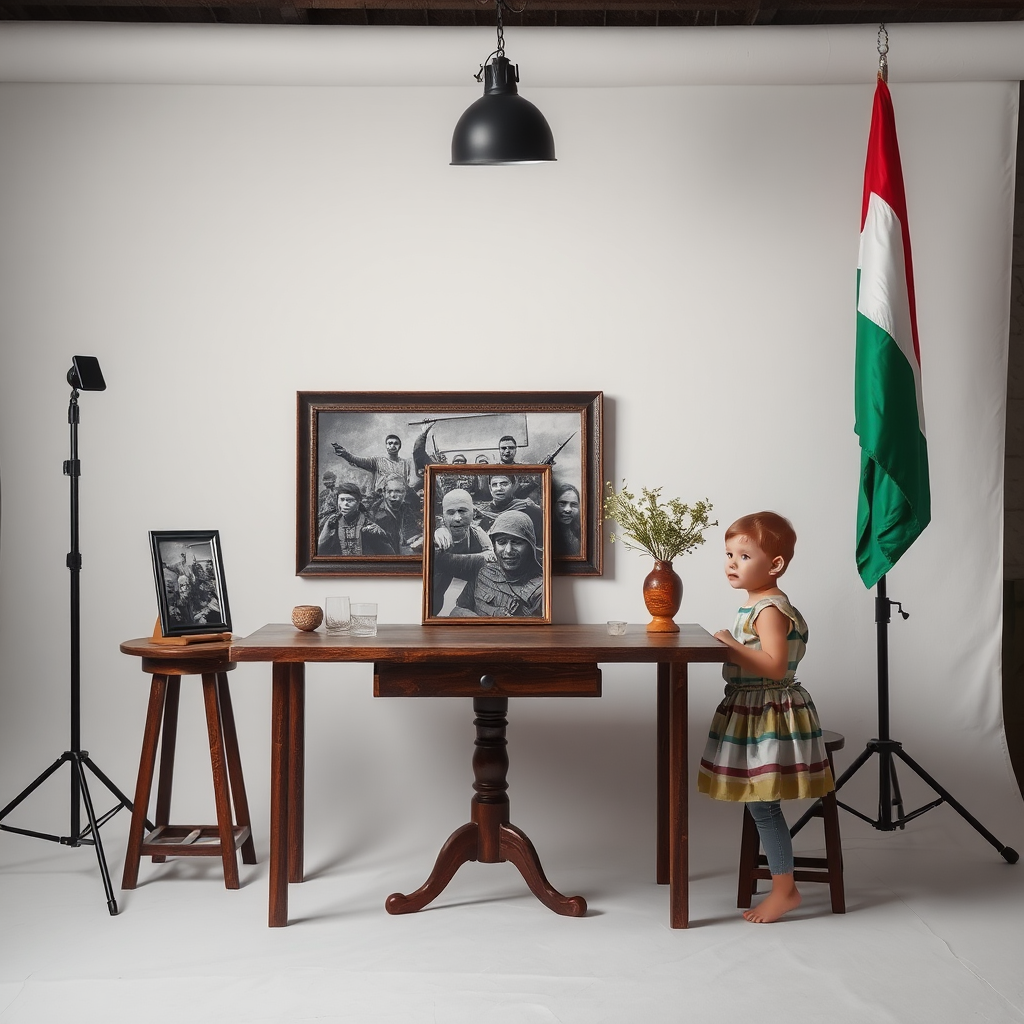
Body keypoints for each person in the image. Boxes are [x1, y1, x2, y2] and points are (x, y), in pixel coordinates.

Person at [697, 512, 833, 924]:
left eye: (744, 555)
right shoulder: (755, 604)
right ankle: (781, 883)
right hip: (754, 709)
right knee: (760, 804)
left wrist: (728, 645)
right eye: (729, 554)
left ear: (774, 565)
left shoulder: (770, 608)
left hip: (770, 713)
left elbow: (774, 666)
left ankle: (785, 889)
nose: (732, 563)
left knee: (764, 805)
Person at [450, 509, 545, 618]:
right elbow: (457, 611)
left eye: (516, 542)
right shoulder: (483, 573)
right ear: (494, 546)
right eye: (502, 542)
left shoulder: (541, 591)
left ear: (530, 547)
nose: (508, 550)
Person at [430, 488, 492, 614]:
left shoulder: (477, 533)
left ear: (473, 513)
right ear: (443, 515)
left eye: (462, 511)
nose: (457, 518)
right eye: (451, 513)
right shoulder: (437, 535)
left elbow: (491, 557)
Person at [317, 481, 394, 556]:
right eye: (342, 499)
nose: (345, 504)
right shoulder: (332, 523)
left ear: (358, 502)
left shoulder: (370, 525)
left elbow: (389, 555)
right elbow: (320, 553)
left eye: (350, 500)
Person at [331, 433, 418, 495]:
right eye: (390, 443)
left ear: (400, 446)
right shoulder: (377, 461)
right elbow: (357, 460)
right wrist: (345, 454)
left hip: (400, 498)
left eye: (396, 443)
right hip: (380, 499)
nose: (393, 446)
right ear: (386, 446)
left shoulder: (406, 464)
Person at [474, 472, 543, 538]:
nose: (499, 488)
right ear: (490, 488)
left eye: (504, 484)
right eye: (494, 485)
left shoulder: (528, 510)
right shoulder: (481, 512)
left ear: (513, 486)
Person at [369, 474, 423, 555]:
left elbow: (412, 536)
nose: (392, 495)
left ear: (404, 493)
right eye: (389, 491)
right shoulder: (374, 514)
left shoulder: (407, 510)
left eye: (397, 491)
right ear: (384, 492)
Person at [552, 482, 581, 557]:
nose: (568, 509)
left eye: (573, 504)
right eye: (562, 504)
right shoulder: (545, 533)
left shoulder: (579, 533)